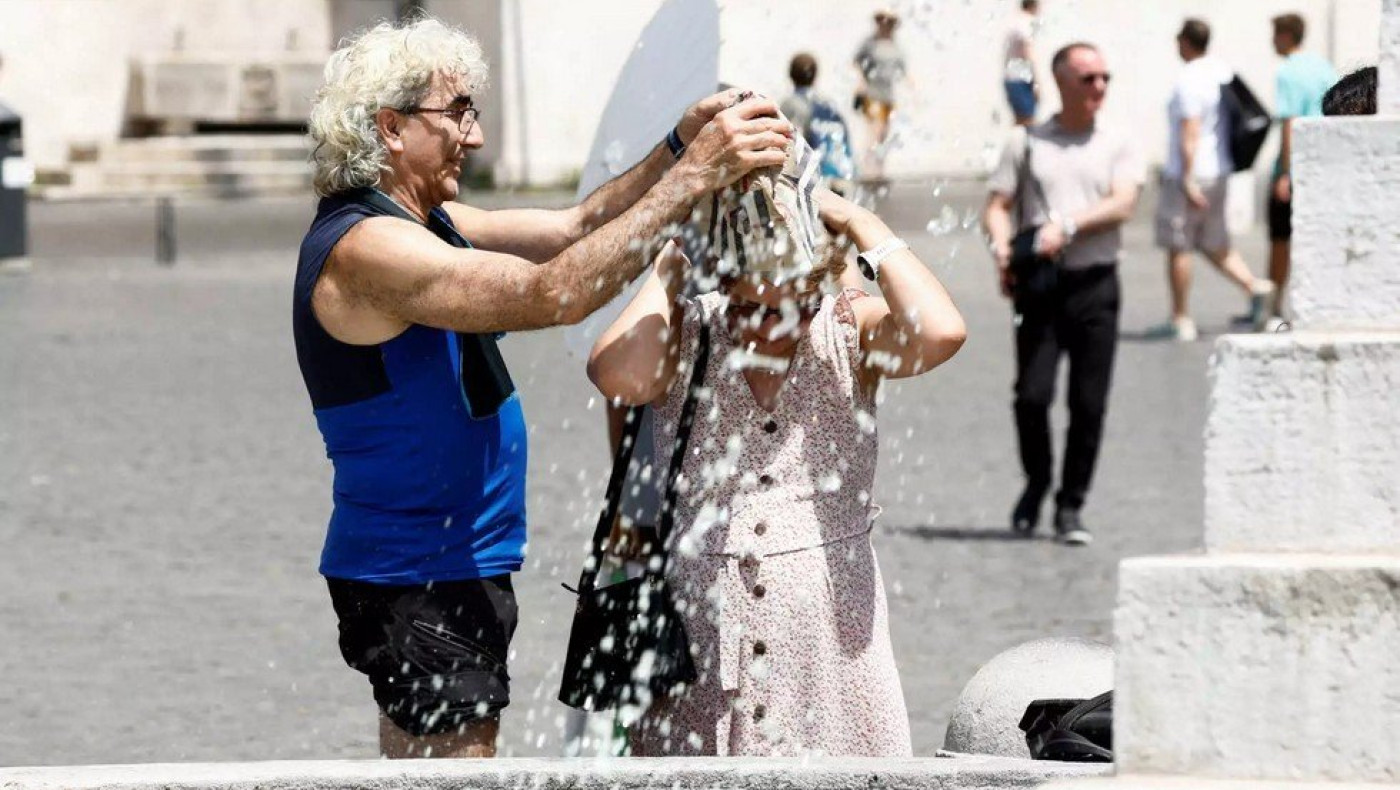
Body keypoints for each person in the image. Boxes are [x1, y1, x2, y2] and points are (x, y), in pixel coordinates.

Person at [292, 17, 792, 759]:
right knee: (454, 773)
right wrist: (696, 180)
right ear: (391, 128)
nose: (476, 136)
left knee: (427, 769)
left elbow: (575, 227)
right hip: (418, 569)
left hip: (448, 562)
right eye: (457, 112)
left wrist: (680, 147)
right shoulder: (370, 248)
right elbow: (554, 294)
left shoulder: (429, 221)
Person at [587, 178, 965, 754]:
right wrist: (673, 259)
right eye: (744, 306)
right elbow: (614, 373)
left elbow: (941, 331)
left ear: (812, 291)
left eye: (780, 309)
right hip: (699, 641)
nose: (760, 326)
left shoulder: (846, 332)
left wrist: (865, 225)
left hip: (831, 645)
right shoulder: (690, 331)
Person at [982, 42, 1144, 545]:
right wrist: (1004, 252)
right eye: (1087, 78)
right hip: (1041, 286)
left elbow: (1122, 204)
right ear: (1061, 82)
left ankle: (1071, 505)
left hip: (1095, 283)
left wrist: (1067, 226)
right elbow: (996, 205)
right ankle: (1037, 482)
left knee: (1088, 403)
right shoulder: (1026, 143)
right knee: (1031, 396)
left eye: (1104, 78)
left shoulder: (1118, 141)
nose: (1099, 87)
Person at [1153, 18, 1274, 342]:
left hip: (1192, 173)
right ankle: (1255, 287)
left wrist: (1187, 179)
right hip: (1220, 169)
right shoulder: (1221, 72)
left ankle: (1180, 318)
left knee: (1179, 245)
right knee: (1214, 241)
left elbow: (1190, 132)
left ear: (1185, 42)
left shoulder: (1189, 79)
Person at [1267, 12, 1336, 326]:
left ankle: (1274, 306)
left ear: (1284, 35)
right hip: (1323, 164)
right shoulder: (1324, 67)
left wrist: (1285, 172)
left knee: (1281, 239)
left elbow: (1290, 122)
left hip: (1296, 166)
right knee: (1318, 236)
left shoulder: (1288, 72)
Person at [780, 53, 856, 186]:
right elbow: (845, 145)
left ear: (791, 75)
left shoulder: (790, 105)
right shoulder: (829, 105)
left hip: (812, 179)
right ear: (815, 76)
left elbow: (786, 145)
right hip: (839, 176)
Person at [853, 8, 909, 180]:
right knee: (874, 130)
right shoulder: (870, 44)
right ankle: (869, 169)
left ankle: (879, 169)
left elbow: (902, 69)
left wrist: (913, 87)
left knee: (884, 132)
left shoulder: (894, 45)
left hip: (888, 94)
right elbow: (857, 61)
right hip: (872, 92)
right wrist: (861, 82)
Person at [1003, 0, 1044, 126]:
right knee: (1028, 120)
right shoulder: (1027, 22)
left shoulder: (1015, 22)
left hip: (1011, 75)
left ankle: (1017, 144)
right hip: (1021, 77)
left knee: (1020, 120)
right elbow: (1027, 51)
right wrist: (1036, 81)